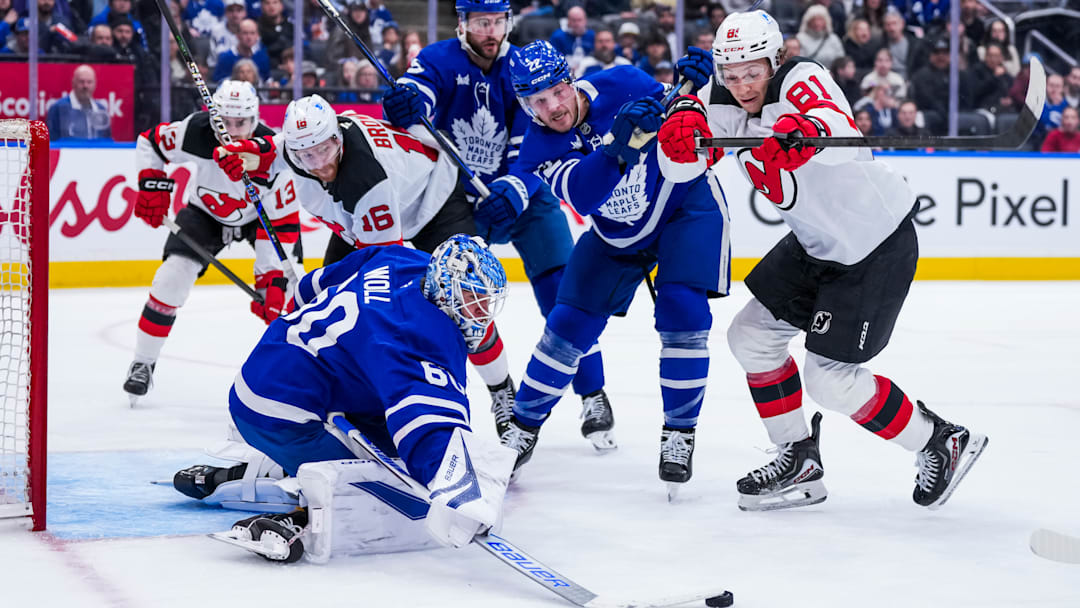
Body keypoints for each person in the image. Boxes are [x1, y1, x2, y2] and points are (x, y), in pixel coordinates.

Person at [658, 9, 988, 511]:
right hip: (816, 246)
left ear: (774, 61)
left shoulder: (803, 78)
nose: (742, 84)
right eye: (732, 74)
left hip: (873, 245)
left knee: (829, 380)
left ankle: (938, 440)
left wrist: (804, 130)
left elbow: (842, 134)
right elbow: (677, 168)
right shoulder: (720, 97)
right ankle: (799, 459)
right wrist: (680, 122)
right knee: (750, 338)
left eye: (753, 72)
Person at [174, 236, 516, 561]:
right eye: (472, 298)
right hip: (282, 414)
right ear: (445, 291)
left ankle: (258, 469)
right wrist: (459, 492)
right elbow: (426, 426)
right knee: (383, 484)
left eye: (484, 300)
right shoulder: (425, 334)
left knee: (389, 445)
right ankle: (301, 520)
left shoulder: (398, 258)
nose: (481, 312)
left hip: (265, 374)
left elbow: (309, 288)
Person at [382, 0, 615, 449]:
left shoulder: (522, 67)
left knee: (562, 291)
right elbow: (418, 96)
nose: (490, 31)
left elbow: (531, 142)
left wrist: (515, 189)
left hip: (526, 194)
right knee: (459, 296)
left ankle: (593, 392)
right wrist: (405, 105)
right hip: (457, 200)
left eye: (497, 22)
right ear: (463, 24)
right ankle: (499, 391)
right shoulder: (437, 59)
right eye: (480, 22)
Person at [502, 41, 731, 497]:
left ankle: (679, 434)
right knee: (565, 325)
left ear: (570, 82)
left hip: (682, 207)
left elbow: (684, 118)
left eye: (555, 93)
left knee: (683, 312)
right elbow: (584, 196)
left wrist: (700, 89)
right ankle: (523, 427)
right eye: (536, 101)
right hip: (617, 233)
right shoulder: (537, 147)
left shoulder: (624, 82)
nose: (551, 108)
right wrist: (615, 146)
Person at [122, 80, 302, 404]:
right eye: (226, 123)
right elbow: (150, 143)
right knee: (170, 280)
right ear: (213, 115)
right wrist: (151, 184)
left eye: (242, 123)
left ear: (255, 117)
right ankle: (143, 363)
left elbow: (280, 224)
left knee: (286, 298)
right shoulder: (195, 130)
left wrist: (270, 277)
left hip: (259, 220)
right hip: (205, 214)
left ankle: (295, 375)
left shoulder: (271, 153)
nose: (233, 131)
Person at [45, 64, 111, 140]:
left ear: (95, 84)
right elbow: (51, 142)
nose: (85, 86)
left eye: (89, 82)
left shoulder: (101, 109)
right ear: (73, 83)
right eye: (81, 82)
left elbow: (106, 141)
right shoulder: (58, 108)